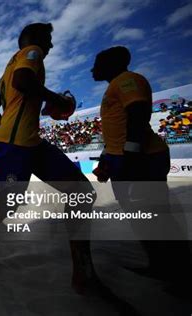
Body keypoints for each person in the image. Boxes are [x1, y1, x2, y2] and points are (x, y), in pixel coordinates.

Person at [0, 23, 104, 294]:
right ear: (35, 39)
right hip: (17, 142)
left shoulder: (8, 69)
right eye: (48, 39)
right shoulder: (32, 52)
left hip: (27, 139)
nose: (50, 45)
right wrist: (58, 101)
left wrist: (10, 121)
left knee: (81, 191)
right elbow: (23, 83)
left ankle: (83, 271)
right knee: (9, 202)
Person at [91, 46, 190, 286]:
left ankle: (178, 272)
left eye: (98, 63)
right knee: (142, 216)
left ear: (111, 64)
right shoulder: (116, 84)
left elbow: (138, 112)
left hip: (141, 159)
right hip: (126, 157)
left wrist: (130, 156)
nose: (93, 69)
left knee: (154, 215)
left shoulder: (127, 80)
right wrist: (107, 159)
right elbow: (119, 128)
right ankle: (161, 266)